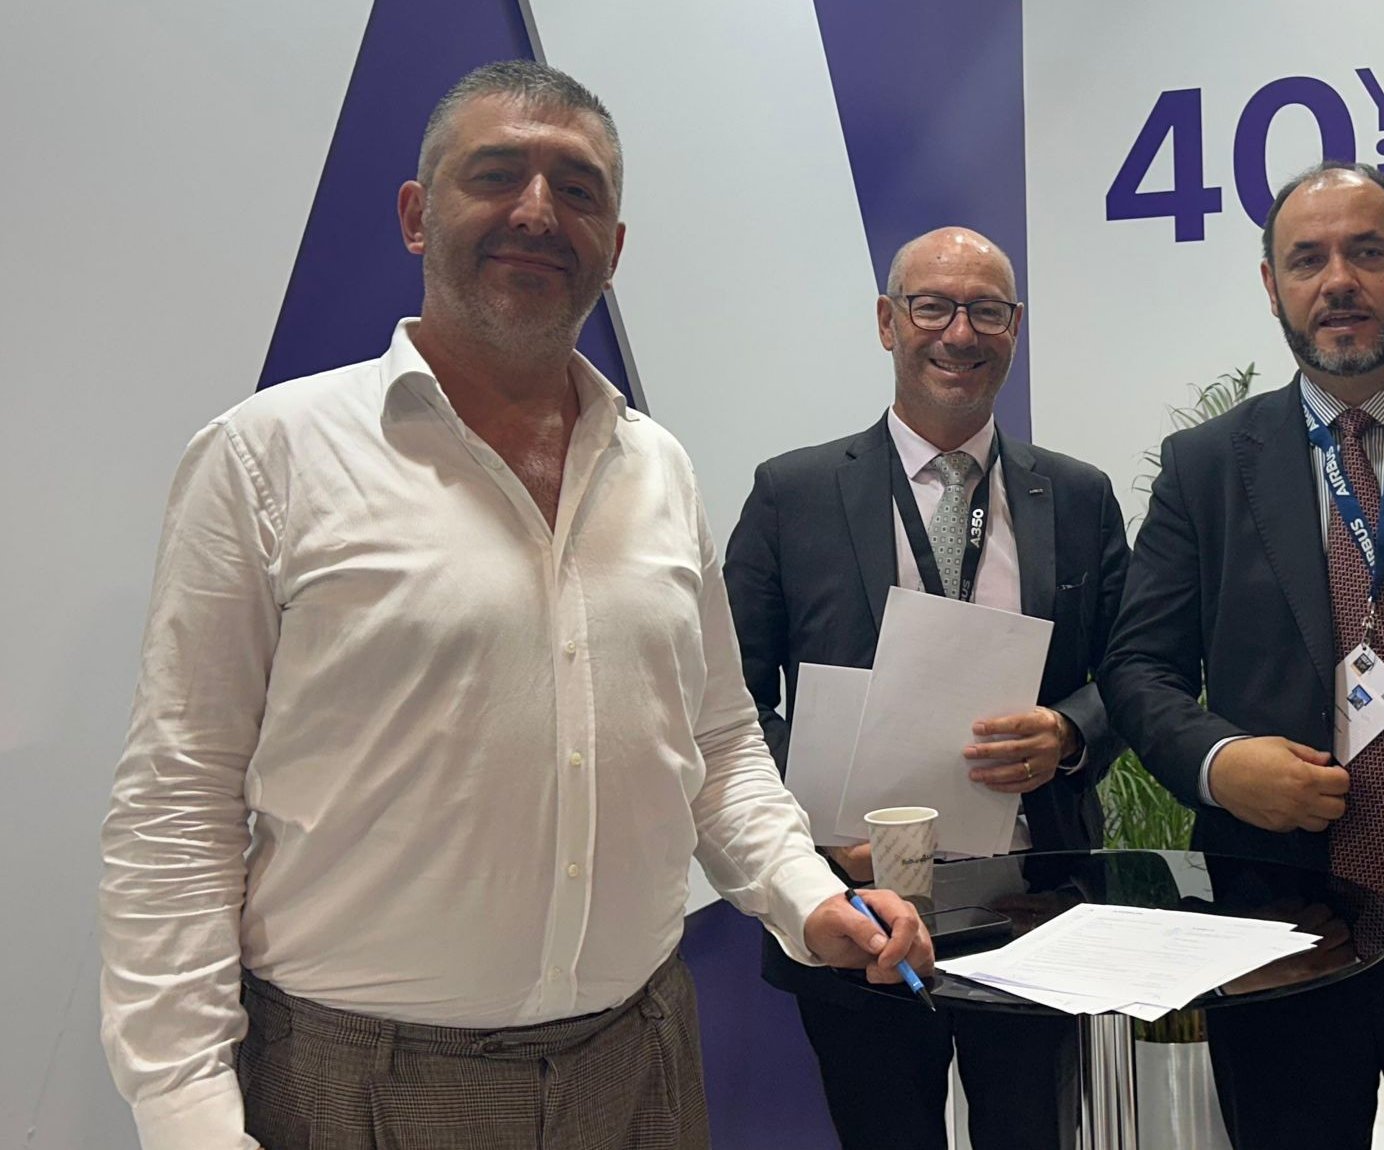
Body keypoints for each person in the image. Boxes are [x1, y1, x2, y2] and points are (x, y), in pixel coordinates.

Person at [97, 60, 930, 1150]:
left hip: (641, 1063)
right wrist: (186, 1117)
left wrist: (805, 898)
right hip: (363, 1087)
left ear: (612, 248)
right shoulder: (267, 458)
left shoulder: (658, 469)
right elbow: (178, 801)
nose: (537, 211)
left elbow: (718, 743)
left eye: (577, 189)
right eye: (496, 174)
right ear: (416, 215)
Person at [1098, 161, 1384, 1148]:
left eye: (1366, 252)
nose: (1338, 280)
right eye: (1307, 260)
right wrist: (1220, 764)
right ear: (1272, 285)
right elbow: (1138, 669)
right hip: (1279, 923)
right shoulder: (1205, 468)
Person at [722, 225, 1129, 1150]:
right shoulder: (792, 493)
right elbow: (731, 700)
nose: (960, 333)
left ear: (1014, 327)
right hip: (858, 902)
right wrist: (815, 821)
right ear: (886, 322)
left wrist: (1069, 732)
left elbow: (1132, 671)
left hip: (1033, 901)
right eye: (933, 307)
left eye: (986, 311)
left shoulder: (1078, 495)